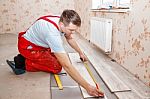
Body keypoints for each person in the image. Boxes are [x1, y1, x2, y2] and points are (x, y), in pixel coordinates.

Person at [6, 9, 104, 97]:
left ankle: (27, 58)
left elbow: (69, 38)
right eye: (71, 30)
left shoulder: (62, 20)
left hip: (40, 44)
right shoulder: (53, 34)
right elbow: (66, 66)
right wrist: (87, 87)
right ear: (61, 25)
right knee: (56, 66)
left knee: (59, 55)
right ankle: (21, 62)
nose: (72, 33)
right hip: (28, 47)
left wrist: (80, 53)